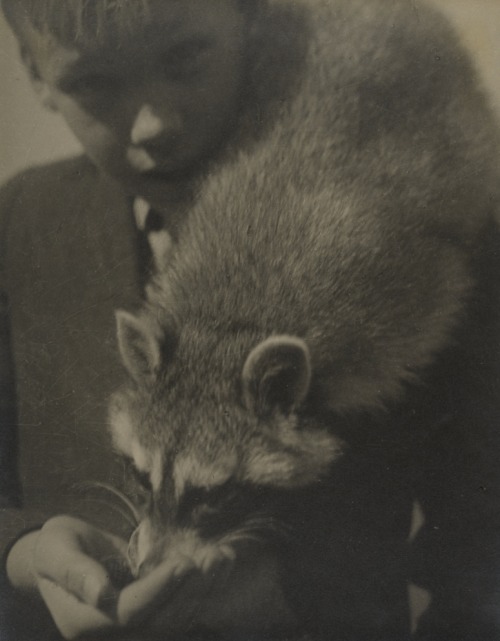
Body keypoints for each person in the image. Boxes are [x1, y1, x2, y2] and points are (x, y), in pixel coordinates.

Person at [0, 1, 499, 641]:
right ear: (36, 78)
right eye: (95, 83)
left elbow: (481, 561)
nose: (153, 124)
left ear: (253, 28)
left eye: (185, 57)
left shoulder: (409, 247)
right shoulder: (20, 222)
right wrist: (24, 551)